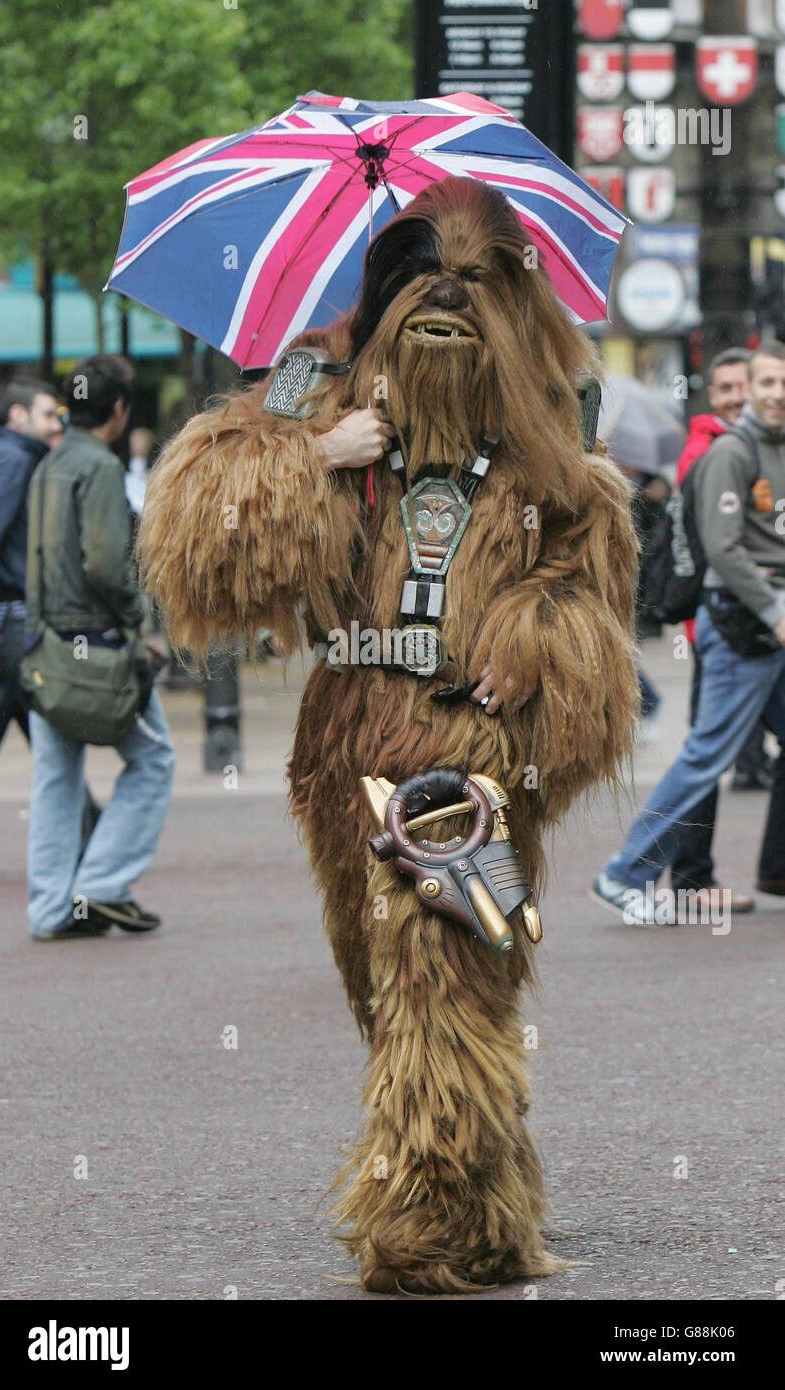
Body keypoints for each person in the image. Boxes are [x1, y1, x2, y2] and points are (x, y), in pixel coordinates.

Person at [138, 177, 639, 1291]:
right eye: (420, 281)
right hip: (342, 741)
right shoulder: (316, 406)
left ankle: (422, 1221)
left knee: (438, 969)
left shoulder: (555, 456)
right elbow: (194, 545)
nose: (446, 302)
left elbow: (592, 606)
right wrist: (316, 454)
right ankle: (497, 1209)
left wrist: (537, 640)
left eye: (473, 287)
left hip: (472, 742)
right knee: (396, 984)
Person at [594, 343, 785, 924]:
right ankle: (626, 873)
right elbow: (725, 550)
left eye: (784, 382)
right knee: (707, 756)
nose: (776, 393)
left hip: (767, 631)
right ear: (749, 390)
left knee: (711, 753)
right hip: (744, 632)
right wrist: (776, 612)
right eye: (767, 383)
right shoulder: (733, 452)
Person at [26, 355, 175, 941]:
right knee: (154, 758)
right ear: (118, 410)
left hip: (49, 649)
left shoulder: (49, 464)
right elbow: (108, 566)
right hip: (98, 649)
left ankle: (50, 908)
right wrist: (142, 622)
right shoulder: (101, 469)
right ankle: (104, 884)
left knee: (54, 778)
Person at [668, 349, 757, 912]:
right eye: (722, 389)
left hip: (753, 631)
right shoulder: (708, 451)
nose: (733, 397)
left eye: (741, 387)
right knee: (706, 754)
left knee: (709, 751)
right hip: (724, 631)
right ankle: (688, 879)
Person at [0, 378, 63, 874]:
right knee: (53, 727)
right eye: (48, 414)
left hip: (3, 623)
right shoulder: (12, 462)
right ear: (17, 416)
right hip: (8, 623)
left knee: (3, 729)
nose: (57, 423)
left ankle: (83, 832)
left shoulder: (21, 459)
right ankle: (86, 837)